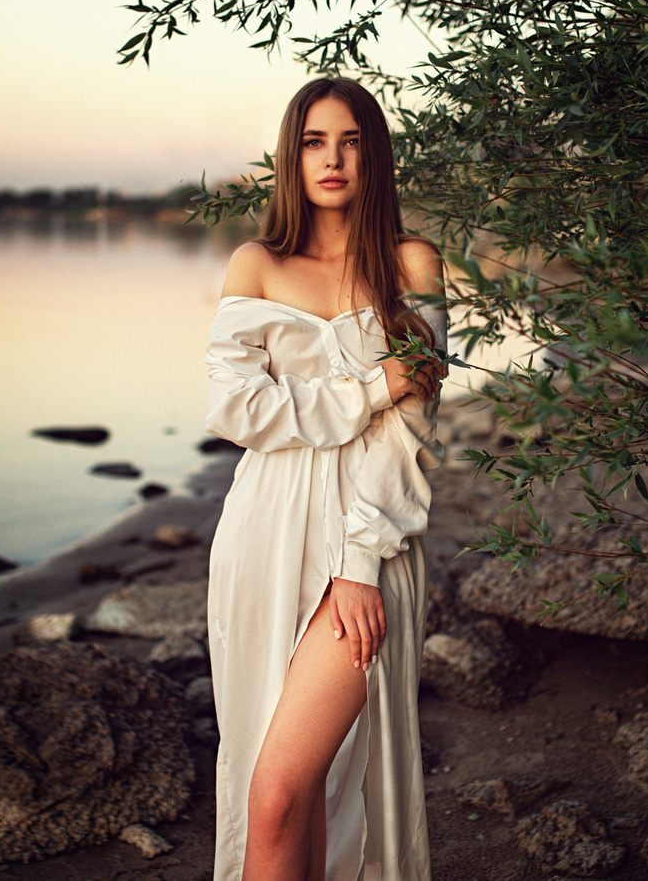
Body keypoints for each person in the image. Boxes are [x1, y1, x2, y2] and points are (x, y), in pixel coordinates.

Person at [203, 77, 448, 881]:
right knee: (277, 795)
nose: (332, 158)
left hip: (368, 540)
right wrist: (376, 387)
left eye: (349, 140)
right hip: (263, 530)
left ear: (373, 155)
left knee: (279, 789)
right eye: (313, 141)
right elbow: (237, 410)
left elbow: (409, 436)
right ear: (291, 156)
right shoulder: (257, 264)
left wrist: (360, 562)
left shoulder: (410, 263)